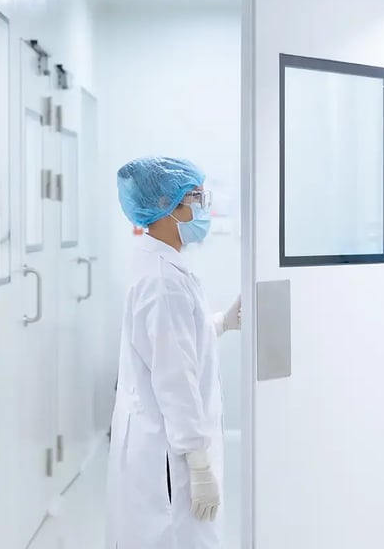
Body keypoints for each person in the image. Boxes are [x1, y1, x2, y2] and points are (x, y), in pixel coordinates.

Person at [106, 157, 241, 549]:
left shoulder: (158, 262)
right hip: (169, 457)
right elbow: (174, 380)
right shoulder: (164, 279)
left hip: (159, 446)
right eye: (195, 197)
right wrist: (199, 466)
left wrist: (219, 323)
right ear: (167, 206)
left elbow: (169, 347)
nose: (202, 207)